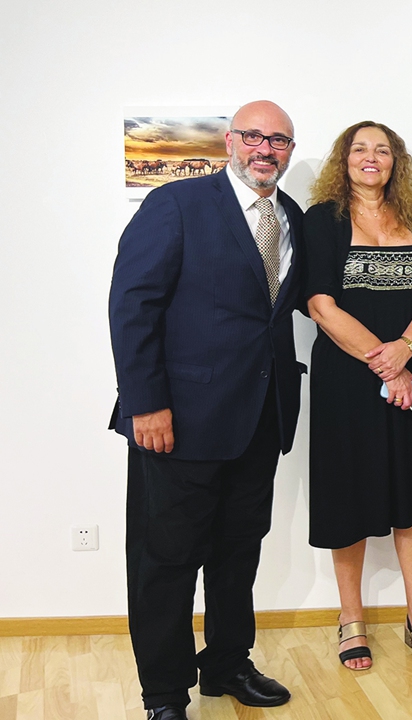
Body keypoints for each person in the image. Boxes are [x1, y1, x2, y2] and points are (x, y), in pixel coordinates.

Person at [109, 101, 304, 720]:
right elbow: (132, 305)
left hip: (260, 419)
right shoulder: (176, 204)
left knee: (237, 555)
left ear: (290, 150)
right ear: (230, 142)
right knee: (164, 562)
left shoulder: (292, 217)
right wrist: (146, 405)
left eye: (279, 140)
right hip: (178, 422)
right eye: (253, 136)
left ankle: (226, 664)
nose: (265, 149)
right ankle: (165, 695)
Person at [305, 121, 412, 672]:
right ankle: (351, 620)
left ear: (397, 161)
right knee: (346, 495)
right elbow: (320, 306)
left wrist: (405, 350)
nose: (371, 158)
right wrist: (385, 364)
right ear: (343, 159)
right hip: (348, 380)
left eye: (383, 150)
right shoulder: (322, 219)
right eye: (360, 149)